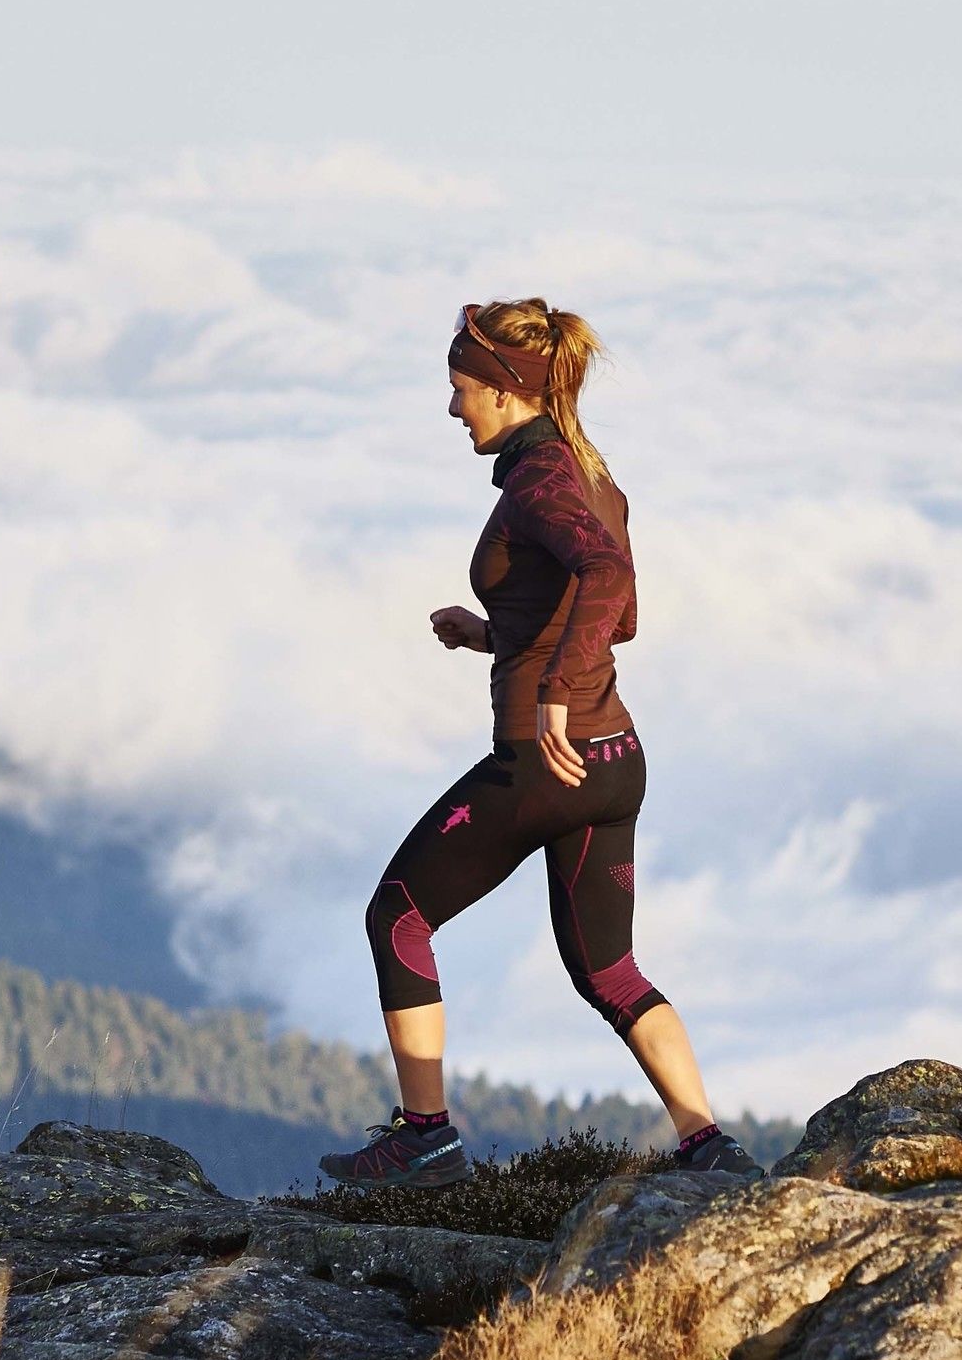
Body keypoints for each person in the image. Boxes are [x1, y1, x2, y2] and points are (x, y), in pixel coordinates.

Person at [320, 300, 761, 1187]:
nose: (453, 410)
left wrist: (552, 693)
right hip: (615, 763)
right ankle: (710, 1148)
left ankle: (426, 1136)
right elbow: (620, 618)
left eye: (461, 391)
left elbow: (609, 579)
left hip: (545, 761)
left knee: (398, 914)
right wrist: (495, 634)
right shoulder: (597, 477)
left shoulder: (541, 482)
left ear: (505, 393)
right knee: (611, 969)